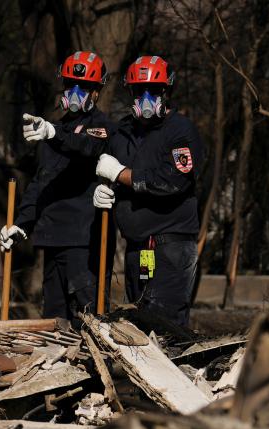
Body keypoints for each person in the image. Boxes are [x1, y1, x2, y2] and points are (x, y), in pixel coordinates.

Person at [0, 51, 113, 322]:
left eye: (83, 87)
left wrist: (52, 133)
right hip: (52, 239)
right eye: (70, 85)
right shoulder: (54, 131)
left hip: (84, 243)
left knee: (90, 320)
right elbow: (41, 182)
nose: (75, 92)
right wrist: (22, 224)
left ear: (96, 92)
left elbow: (85, 146)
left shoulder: (102, 128)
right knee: (53, 320)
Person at [94, 54, 206, 328]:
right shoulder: (123, 132)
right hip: (137, 247)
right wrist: (104, 189)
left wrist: (122, 174)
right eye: (139, 90)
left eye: (153, 90)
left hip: (171, 247)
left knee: (165, 325)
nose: (146, 98)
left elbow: (174, 181)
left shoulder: (180, 131)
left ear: (166, 92)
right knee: (139, 325)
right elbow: (98, 157)